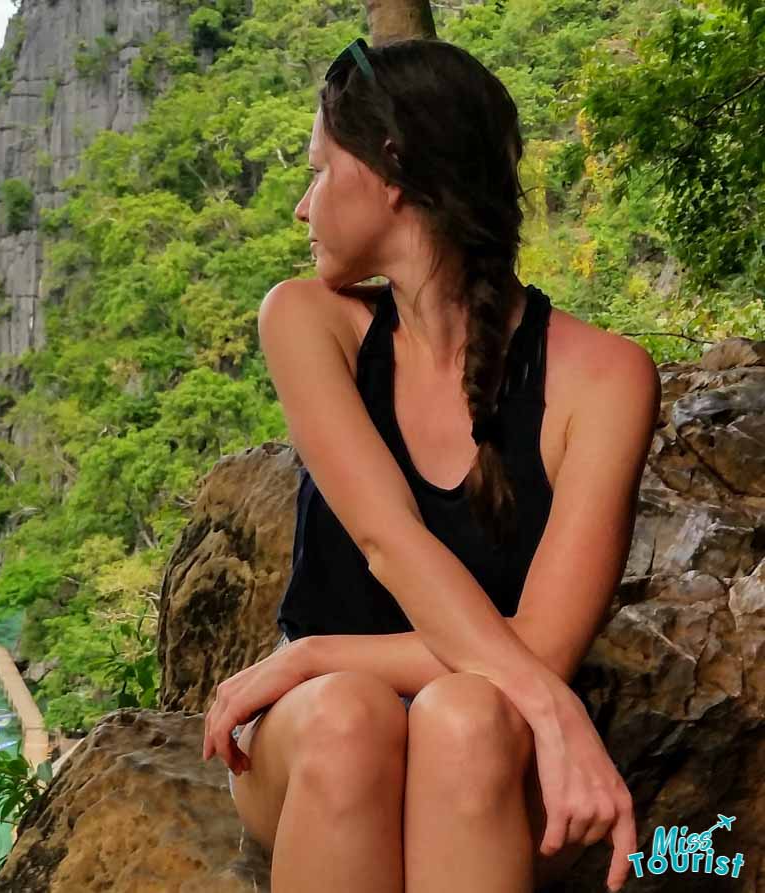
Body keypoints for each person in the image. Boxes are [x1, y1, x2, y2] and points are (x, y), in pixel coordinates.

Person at [200, 37, 661, 893]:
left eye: (319, 172)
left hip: (483, 743)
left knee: (470, 712)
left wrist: (310, 652)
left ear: (391, 172)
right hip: (317, 739)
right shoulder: (308, 321)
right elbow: (387, 538)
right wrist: (320, 675)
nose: (303, 209)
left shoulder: (604, 379)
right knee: (350, 715)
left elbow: (540, 655)